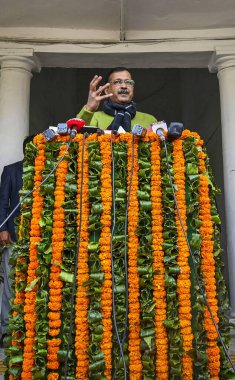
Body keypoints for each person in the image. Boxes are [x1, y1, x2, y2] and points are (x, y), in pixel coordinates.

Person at [0, 135, 35, 347]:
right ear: (25, 150)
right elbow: (2, 202)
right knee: (10, 286)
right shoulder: (11, 170)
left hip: (39, 241)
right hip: (14, 236)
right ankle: (6, 331)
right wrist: (2, 228)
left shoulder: (47, 170)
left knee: (32, 286)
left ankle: (28, 332)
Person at [77, 67, 157, 131]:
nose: (124, 86)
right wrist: (89, 108)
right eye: (117, 82)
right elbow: (75, 137)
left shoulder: (149, 120)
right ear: (107, 90)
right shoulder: (95, 117)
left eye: (129, 82)